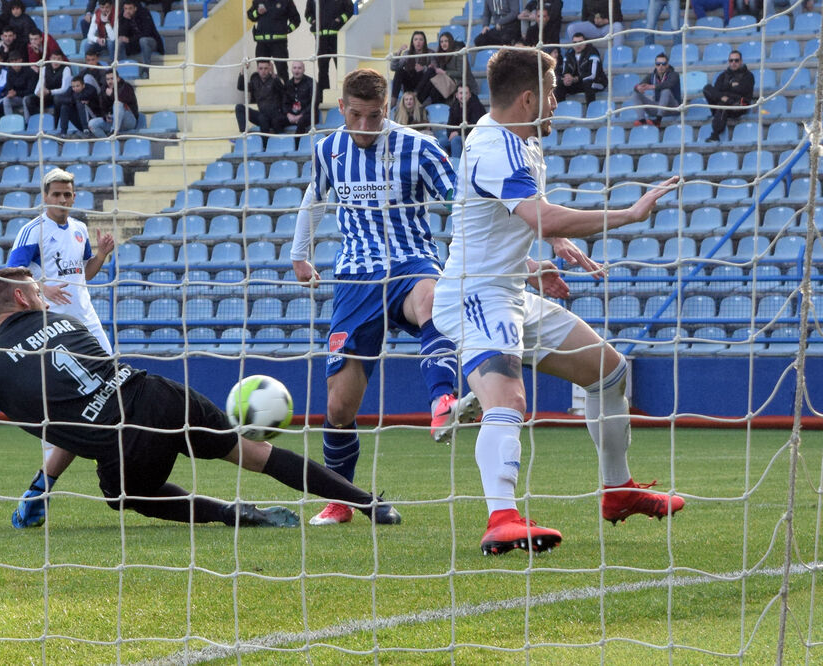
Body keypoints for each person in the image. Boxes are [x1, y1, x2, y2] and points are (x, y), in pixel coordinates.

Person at [0, 267, 403, 533]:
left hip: (123, 439)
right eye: (36, 290)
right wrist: (42, 482)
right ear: (21, 299)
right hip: (156, 392)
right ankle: (371, 504)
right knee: (255, 454)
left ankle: (231, 515)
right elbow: (75, 402)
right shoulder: (64, 322)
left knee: (124, 494)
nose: (40, 295)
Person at [431, 48, 684, 556]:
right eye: (550, 93)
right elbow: (542, 217)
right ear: (528, 98)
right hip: (474, 296)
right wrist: (630, 215)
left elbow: (507, 222)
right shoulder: (495, 147)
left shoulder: (522, 143)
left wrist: (542, 255)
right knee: (510, 402)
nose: (555, 101)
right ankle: (501, 518)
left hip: (509, 289)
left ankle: (618, 490)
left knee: (610, 372)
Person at [290, 68, 481, 526]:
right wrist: (300, 254)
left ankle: (442, 403)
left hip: (411, 261)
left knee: (430, 302)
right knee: (339, 405)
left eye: (374, 117)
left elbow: (462, 203)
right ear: (341, 108)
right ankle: (340, 500)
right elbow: (313, 200)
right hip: (355, 278)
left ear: (388, 109)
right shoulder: (328, 149)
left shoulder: (419, 147)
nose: (364, 126)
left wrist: (465, 254)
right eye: (355, 115)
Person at [6, 168, 114, 354]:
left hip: (84, 315)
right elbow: (12, 272)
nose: (62, 200)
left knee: (108, 361)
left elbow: (85, 273)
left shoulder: (79, 229)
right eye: (56, 194)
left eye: (66, 194)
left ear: (74, 197)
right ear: (45, 197)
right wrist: (42, 288)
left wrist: (101, 255)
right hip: (49, 318)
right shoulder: (32, 230)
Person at [304, 0, 353, 101]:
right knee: (322, 70)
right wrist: (313, 20)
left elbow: (349, 11)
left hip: (337, 37)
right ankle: (323, 96)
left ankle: (346, 94)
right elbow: (307, 14)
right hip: (321, 39)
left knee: (340, 67)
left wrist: (339, 20)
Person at [702, 50, 753, 142]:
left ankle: (715, 135)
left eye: (736, 60)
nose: (733, 63)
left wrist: (725, 92)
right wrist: (729, 90)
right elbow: (716, 90)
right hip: (727, 103)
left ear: (741, 61)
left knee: (722, 104)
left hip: (739, 106)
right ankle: (726, 102)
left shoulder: (748, 76)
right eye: (731, 60)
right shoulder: (723, 75)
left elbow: (742, 91)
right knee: (707, 88)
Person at [416, 31, 476, 105]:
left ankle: (416, 97)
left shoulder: (458, 53)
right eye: (441, 42)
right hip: (447, 82)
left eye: (446, 41)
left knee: (432, 80)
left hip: (460, 83)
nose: (443, 44)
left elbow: (462, 73)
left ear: (450, 42)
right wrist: (435, 67)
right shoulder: (442, 54)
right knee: (431, 77)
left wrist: (444, 72)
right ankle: (417, 100)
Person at [246, 0, 300, 82]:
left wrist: (287, 30)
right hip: (262, 43)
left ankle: (284, 93)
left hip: (279, 43)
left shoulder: (286, 1)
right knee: (262, 72)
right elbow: (250, 15)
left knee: (282, 71)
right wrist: (257, 12)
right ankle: (263, 94)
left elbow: (296, 20)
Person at [625, 52, 680, 127]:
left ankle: (658, 120)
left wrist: (652, 86)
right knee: (636, 93)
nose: (660, 66)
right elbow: (640, 85)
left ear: (667, 65)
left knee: (665, 91)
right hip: (657, 107)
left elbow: (669, 84)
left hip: (673, 108)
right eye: (658, 64)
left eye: (663, 64)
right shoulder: (652, 76)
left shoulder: (674, 74)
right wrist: (638, 87)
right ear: (655, 65)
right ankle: (642, 121)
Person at [234, 59, 286, 134]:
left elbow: (282, 89)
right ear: (257, 69)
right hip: (262, 116)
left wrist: (273, 74)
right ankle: (244, 134)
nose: (263, 71)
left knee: (263, 118)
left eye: (266, 68)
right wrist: (244, 70)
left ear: (269, 68)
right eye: (261, 68)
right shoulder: (255, 81)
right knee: (239, 108)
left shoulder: (275, 79)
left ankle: (265, 142)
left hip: (275, 117)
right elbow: (241, 87)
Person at [554, 32, 607, 104]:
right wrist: (567, 78)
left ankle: (590, 112)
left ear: (585, 43)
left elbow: (593, 75)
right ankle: (561, 110)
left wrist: (576, 79)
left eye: (580, 42)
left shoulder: (592, 52)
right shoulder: (569, 53)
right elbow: (565, 71)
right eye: (575, 42)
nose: (577, 45)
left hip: (597, 82)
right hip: (579, 83)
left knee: (588, 83)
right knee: (560, 84)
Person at [116, 0, 164, 79]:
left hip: (151, 41)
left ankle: (146, 70)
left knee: (143, 40)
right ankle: (122, 70)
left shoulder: (144, 13)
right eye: (126, 8)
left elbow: (147, 32)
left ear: (135, 8)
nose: (127, 11)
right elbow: (121, 34)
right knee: (120, 41)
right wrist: (126, 20)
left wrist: (130, 40)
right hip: (135, 44)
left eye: (130, 8)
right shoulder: (122, 16)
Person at [88, 69, 138, 137]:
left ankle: (114, 131)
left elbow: (125, 100)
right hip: (113, 119)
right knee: (92, 124)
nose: (110, 81)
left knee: (118, 103)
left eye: (112, 78)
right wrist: (105, 116)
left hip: (128, 120)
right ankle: (107, 143)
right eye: (108, 79)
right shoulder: (104, 89)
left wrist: (112, 94)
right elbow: (102, 108)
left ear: (118, 79)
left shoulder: (126, 86)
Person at [24, 52, 72, 122]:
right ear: (50, 59)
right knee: (28, 99)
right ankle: (39, 121)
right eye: (54, 58)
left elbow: (64, 89)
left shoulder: (66, 69)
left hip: (59, 95)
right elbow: (39, 84)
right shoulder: (45, 68)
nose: (56, 61)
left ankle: (56, 122)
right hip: (47, 95)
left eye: (58, 59)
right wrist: (38, 92)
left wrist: (50, 92)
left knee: (57, 99)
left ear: (62, 60)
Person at [389, 31, 433, 102]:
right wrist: (398, 52)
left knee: (430, 71)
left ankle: (415, 94)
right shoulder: (407, 53)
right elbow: (394, 68)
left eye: (420, 39)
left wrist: (423, 68)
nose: (418, 42)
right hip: (409, 85)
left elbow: (434, 71)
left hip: (423, 87)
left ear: (424, 42)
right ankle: (394, 99)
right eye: (415, 39)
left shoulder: (430, 53)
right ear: (412, 42)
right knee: (400, 70)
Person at [446, 85, 486, 157]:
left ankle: (457, 166)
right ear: (456, 95)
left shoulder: (476, 106)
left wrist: (457, 133)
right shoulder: (454, 107)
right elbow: (449, 125)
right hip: (460, 135)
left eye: (466, 93)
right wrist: (450, 134)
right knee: (440, 143)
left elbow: (475, 126)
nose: (463, 96)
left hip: (474, 137)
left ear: (470, 95)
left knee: (456, 140)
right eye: (461, 93)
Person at [0, 49, 36, 118]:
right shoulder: (10, 72)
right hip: (17, 97)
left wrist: (16, 93)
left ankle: (27, 122)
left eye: (16, 60)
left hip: (29, 97)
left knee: (26, 99)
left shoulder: (29, 72)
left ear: (21, 60)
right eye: (12, 61)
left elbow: (31, 90)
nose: (14, 63)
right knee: (6, 100)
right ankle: (10, 121)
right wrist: (10, 93)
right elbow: (9, 87)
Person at [283, 60, 317, 134]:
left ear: (304, 69)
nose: (297, 71)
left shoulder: (311, 83)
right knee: (276, 120)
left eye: (299, 68)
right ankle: (281, 143)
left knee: (302, 121)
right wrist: (288, 114)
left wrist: (300, 116)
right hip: (291, 115)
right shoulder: (288, 84)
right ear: (291, 70)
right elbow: (284, 103)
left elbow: (314, 103)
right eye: (294, 68)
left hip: (307, 115)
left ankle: (297, 144)